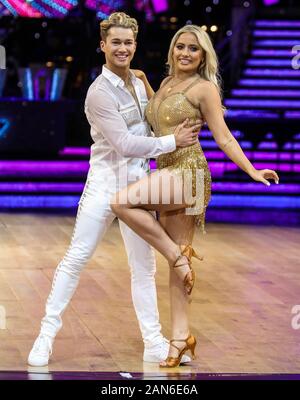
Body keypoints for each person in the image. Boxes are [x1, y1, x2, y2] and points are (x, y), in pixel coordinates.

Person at [27, 13, 201, 367]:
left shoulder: (138, 84)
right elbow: (123, 143)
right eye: (116, 42)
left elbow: (149, 127)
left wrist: (168, 128)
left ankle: (153, 342)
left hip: (138, 190)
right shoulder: (98, 92)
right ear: (103, 46)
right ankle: (45, 336)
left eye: (128, 42)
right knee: (76, 259)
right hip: (104, 187)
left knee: (144, 269)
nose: (122, 48)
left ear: (135, 45)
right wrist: (173, 141)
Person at [111, 24, 280, 368]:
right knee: (177, 273)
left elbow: (225, 138)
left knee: (121, 202)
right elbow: (160, 118)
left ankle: (175, 254)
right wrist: (144, 84)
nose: (185, 53)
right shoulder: (168, 84)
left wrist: (252, 170)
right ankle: (180, 340)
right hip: (167, 170)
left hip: (189, 174)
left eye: (193, 49)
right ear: (172, 50)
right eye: (180, 47)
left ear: (204, 56)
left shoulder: (204, 89)